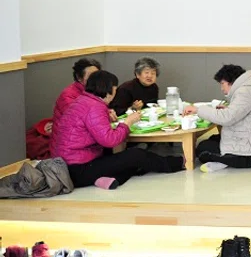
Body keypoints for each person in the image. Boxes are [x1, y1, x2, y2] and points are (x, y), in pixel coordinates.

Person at [51, 70, 184, 189]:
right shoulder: (95, 107)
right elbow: (110, 140)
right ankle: (178, 162)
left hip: (66, 165)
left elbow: (90, 129)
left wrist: (107, 117)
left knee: (126, 160)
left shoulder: (82, 101)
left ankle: (106, 179)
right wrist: (127, 123)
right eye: (114, 90)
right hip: (78, 169)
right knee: (135, 155)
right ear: (107, 90)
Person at [183, 65, 251, 172]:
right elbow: (245, 112)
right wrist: (229, 108)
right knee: (213, 139)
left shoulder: (245, 92)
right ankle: (224, 159)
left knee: (202, 149)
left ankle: (224, 161)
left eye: (222, 84)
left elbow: (226, 118)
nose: (222, 88)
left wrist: (197, 110)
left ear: (231, 81)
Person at [53, 58, 102, 123]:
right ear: (79, 77)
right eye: (91, 76)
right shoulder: (67, 96)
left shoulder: (95, 89)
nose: (95, 79)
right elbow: (79, 120)